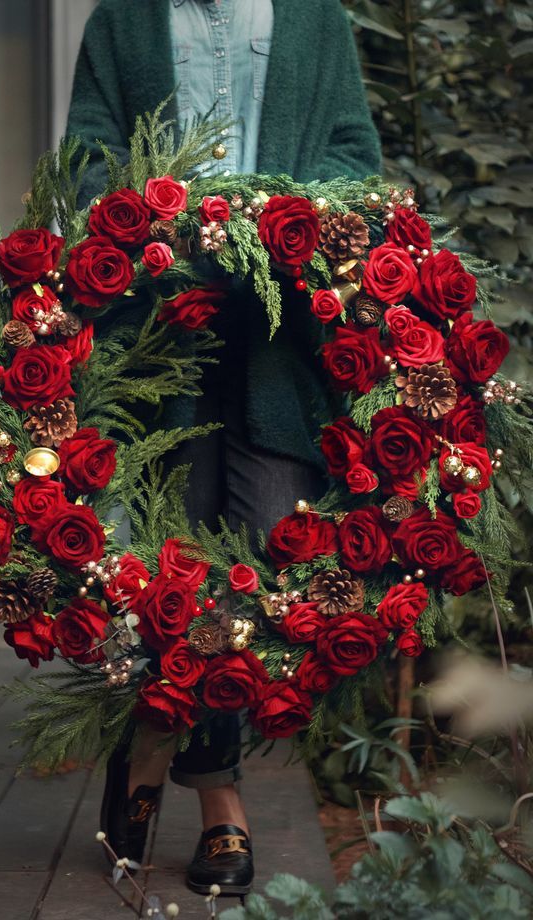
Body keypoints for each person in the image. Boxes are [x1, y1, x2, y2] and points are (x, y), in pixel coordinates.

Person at [67, 0, 381, 896]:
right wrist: (151, 222)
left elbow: (355, 154)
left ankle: (150, 743)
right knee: (181, 569)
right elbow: (87, 153)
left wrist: (286, 221)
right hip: (160, 332)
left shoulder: (315, 18)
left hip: (278, 342)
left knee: (269, 547)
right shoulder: (121, 20)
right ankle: (223, 809)